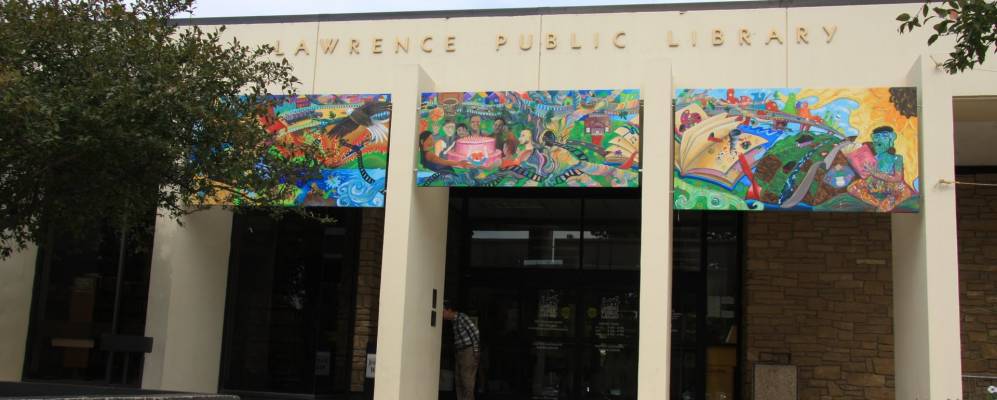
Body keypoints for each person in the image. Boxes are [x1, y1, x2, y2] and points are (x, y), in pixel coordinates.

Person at [443, 302, 480, 400]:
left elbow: (475, 332)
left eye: (443, 311)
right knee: (459, 380)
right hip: (460, 352)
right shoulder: (454, 321)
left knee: (467, 380)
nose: (442, 315)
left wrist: (476, 350)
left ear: (449, 310)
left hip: (468, 351)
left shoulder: (461, 317)